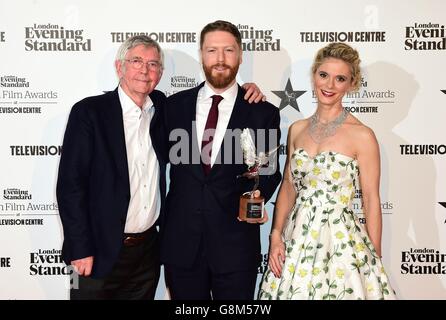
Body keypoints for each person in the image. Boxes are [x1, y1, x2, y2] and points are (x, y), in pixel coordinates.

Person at [56, 35, 263, 300]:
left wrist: (247, 89)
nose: (145, 70)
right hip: (96, 250)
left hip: (147, 254)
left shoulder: (165, 108)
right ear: (119, 68)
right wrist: (79, 247)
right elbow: (70, 186)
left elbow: (224, 101)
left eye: (153, 64)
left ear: (160, 73)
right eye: (136, 61)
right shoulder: (89, 112)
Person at [258, 42, 396, 300]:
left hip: (340, 240)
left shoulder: (362, 135)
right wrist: (276, 235)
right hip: (296, 238)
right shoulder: (297, 129)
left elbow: (370, 199)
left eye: (340, 78)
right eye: (324, 75)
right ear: (314, 77)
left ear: (351, 84)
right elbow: (288, 186)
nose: (329, 85)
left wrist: (374, 258)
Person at [160, 20, 282, 300]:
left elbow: (268, 171)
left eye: (228, 50)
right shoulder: (173, 107)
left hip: (236, 247)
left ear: (240, 55)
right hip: (182, 246)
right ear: (201, 54)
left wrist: (257, 197)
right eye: (212, 50)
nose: (220, 59)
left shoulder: (260, 111)